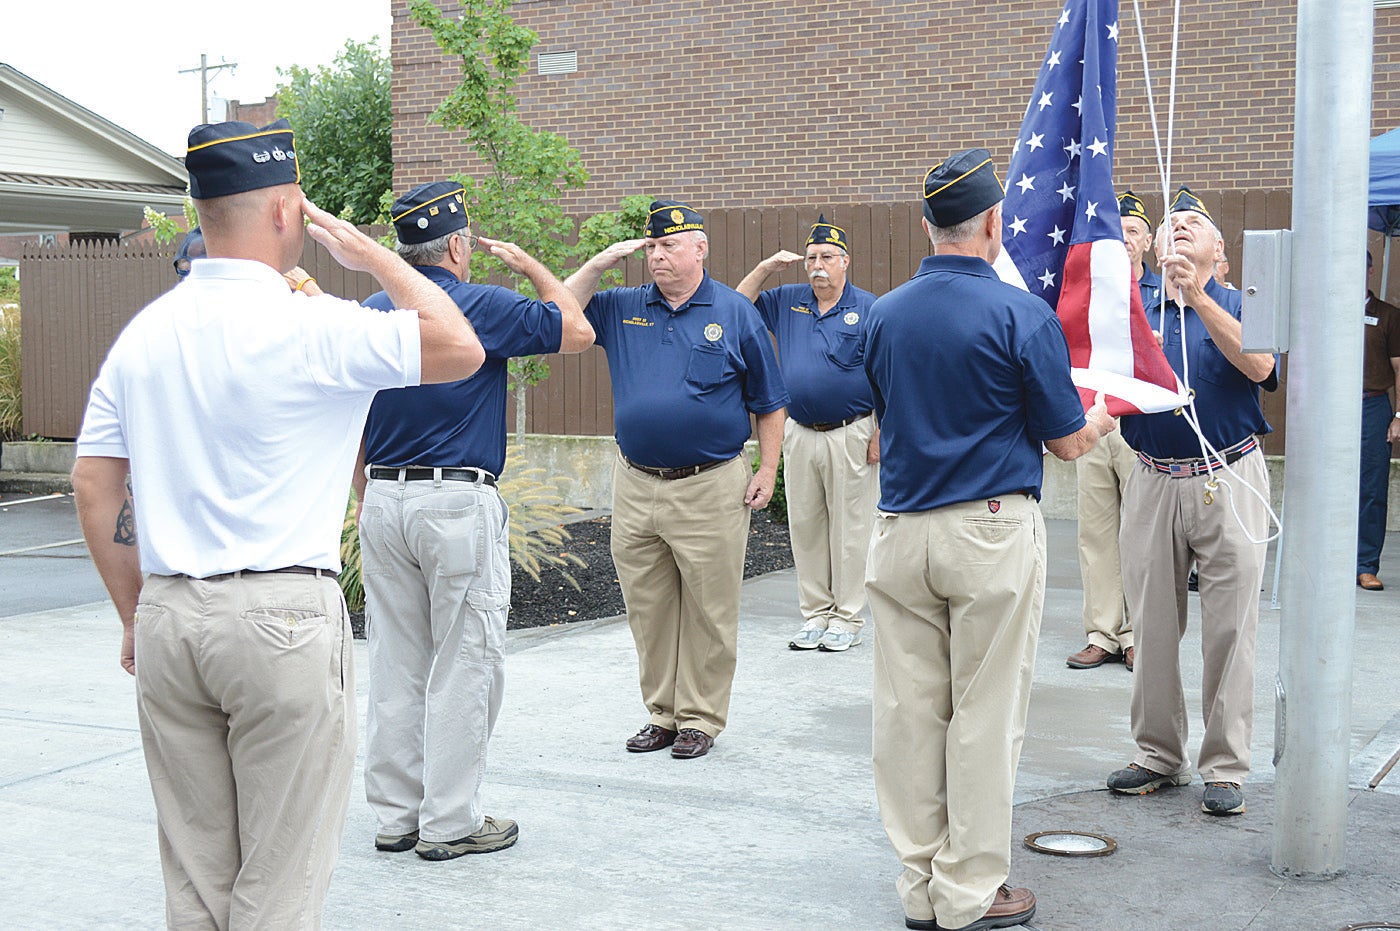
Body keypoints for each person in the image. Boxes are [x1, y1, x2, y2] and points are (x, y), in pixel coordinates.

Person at [70, 119, 485, 927]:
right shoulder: (316, 325)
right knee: (281, 879)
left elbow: (94, 483)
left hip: (168, 613)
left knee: (196, 876)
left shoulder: (142, 336)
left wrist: (135, 615)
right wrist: (374, 257)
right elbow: (459, 345)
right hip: (281, 618)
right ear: (288, 210)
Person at [862, 149, 1115, 931]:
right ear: (994, 224)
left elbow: (880, 422)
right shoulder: (1020, 314)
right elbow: (1070, 444)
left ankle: (918, 888)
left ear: (930, 225)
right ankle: (968, 890)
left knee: (908, 714)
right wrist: (1107, 411)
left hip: (901, 527)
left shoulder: (883, 313)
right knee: (982, 713)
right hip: (990, 530)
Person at [354, 181, 591, 860]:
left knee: (396, 660)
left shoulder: (373, 310)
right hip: (455, 502)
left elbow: (355, 416)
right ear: (457, 245)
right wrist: (531, 269)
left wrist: (363, 491)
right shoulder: (478, 303)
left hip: (384, 498)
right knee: (467, 661)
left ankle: (397, 815)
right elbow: (576, 329)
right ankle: (450, 821)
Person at [565, 200, 789, 759]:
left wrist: (767, 467)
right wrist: (596, 266)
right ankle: (662, 713)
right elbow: (561, 312)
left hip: (709, 483)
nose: (657, 256)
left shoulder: (736, 312)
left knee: (711, 609)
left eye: (669, 246)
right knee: (649, 607)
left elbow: (770, 401)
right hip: (636, 483)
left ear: (700, 250)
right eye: (651, 247)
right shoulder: (621, 307)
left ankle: (700, 718)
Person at [1108, 186, 1278, 817]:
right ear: (1152, 245)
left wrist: (1199, 298)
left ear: (1218, 249)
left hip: (1228, 474)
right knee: (1151, 622)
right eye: (1170, 223)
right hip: (1152, 476)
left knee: (1231, 626)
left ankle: (1226, 765)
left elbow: (1260, 367)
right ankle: (1157, 753)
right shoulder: (1131, 307)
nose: (1179, 228)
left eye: (1194, 224)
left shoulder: (1242, 303)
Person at [735, 215, 879, 653]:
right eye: (812, 257)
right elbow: (736, 310)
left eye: (828, 257)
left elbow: (889, 373)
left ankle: (848, 618)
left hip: (852, 433)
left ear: (845, 262)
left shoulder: (869, 308)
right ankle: (816, 614)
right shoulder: (787, 301)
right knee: (807, 526)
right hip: (798, 431)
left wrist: (882, 432)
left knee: (851, 529)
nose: (818, 265)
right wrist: (764, 270)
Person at [1065, 190, 1155, 672]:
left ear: (1148, 241)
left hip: (1141, 428)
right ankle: (1103, 631)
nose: (1122, 239)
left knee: (1139, 535)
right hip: (1094, 422)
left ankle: (1139, 633)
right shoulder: (1088, 295)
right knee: (1096, 532)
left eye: (1133, 231)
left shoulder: (1163, 296)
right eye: (1114, 231)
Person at [1357, 249, 1400, 590]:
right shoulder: (1332, 312)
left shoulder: (1388, 316)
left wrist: (1398, 415)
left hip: (1372, 408)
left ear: (1370, 271)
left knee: (1372, 489)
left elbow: (1399, 370)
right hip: (1334, 410)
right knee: (1331, 486)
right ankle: (1332, 560)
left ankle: (1365, 564)